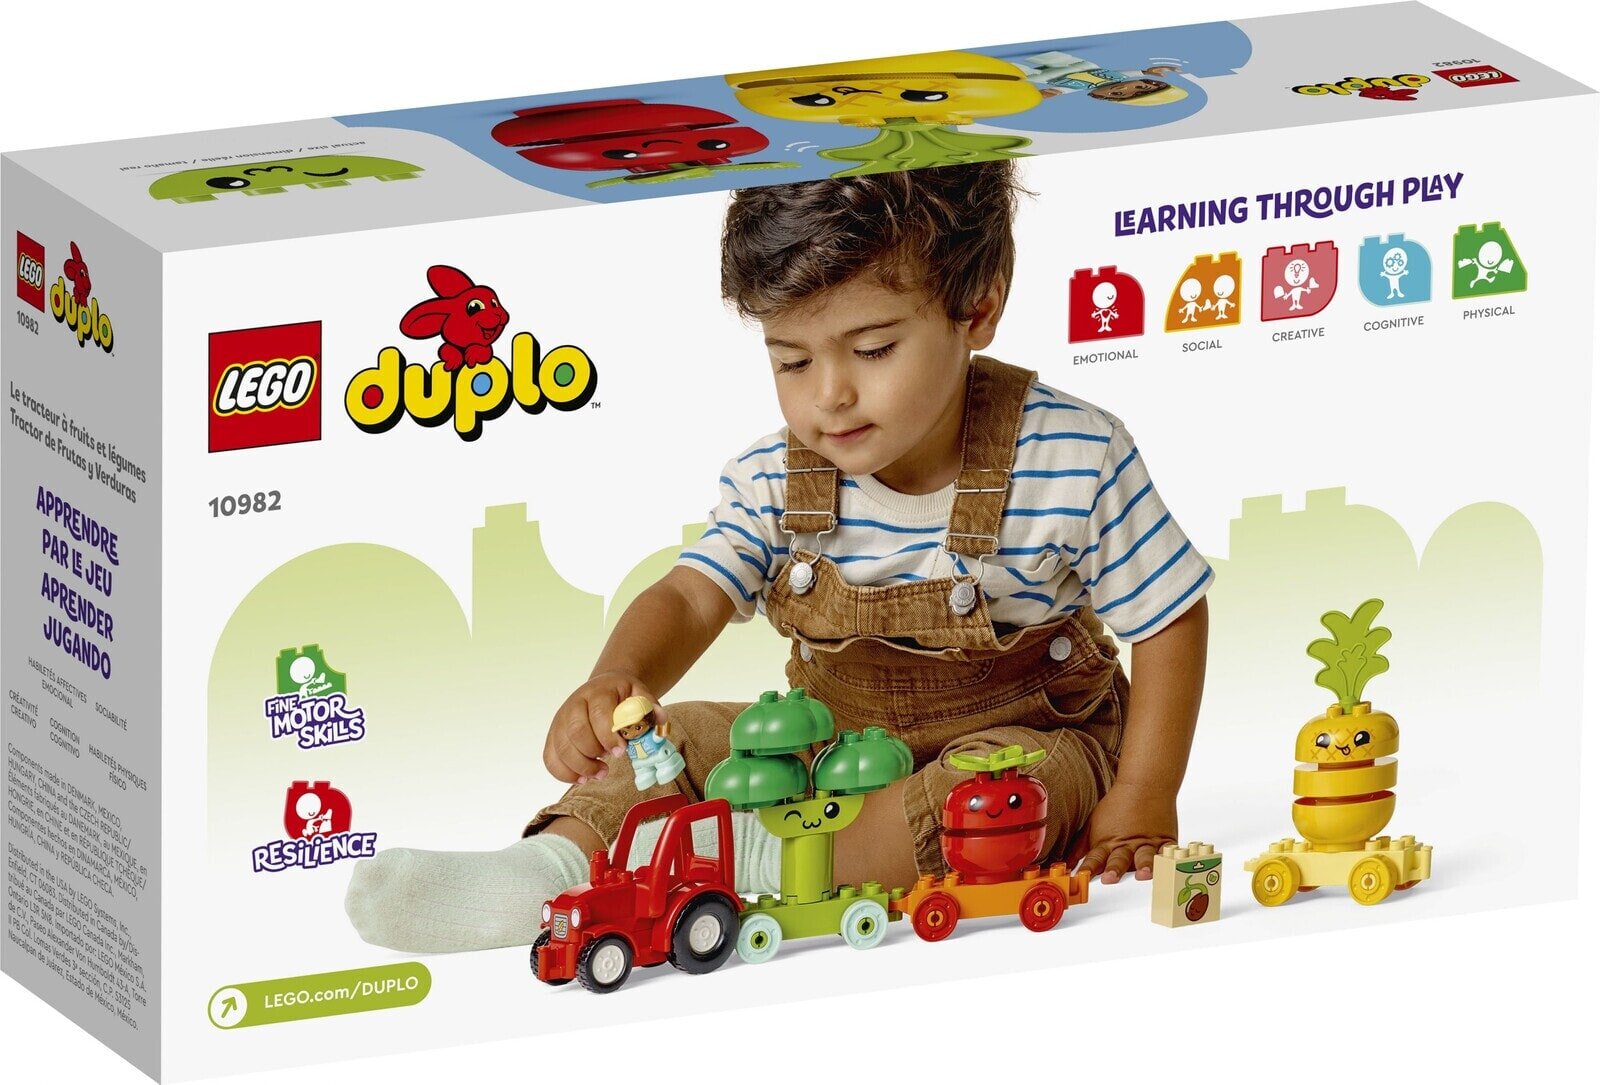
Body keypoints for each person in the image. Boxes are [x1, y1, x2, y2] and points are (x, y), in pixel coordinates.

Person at [345, 160, 1211, 953]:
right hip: (831, 749)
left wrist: (1144, 792)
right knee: (676, 735)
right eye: (792, 359)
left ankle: (760, 862)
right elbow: (691, 595)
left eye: (873, 349)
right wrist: (616, 679)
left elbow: (1170, 614)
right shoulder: (775, 477)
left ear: (976, 307)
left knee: (994, 793)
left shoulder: (1070, 454)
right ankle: (550, 872)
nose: (830, 394)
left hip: (1021, 745)